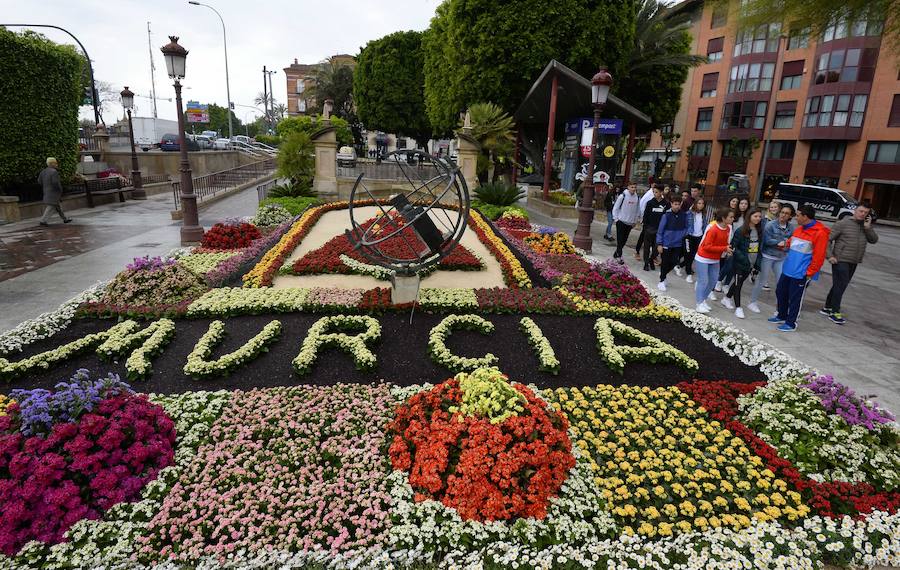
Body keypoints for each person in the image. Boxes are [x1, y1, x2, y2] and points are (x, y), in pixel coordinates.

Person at [768, 205, 830, 332]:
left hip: (801, 273)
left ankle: (791, 323)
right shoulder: (800, 229)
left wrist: (809, 273)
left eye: (798, 215)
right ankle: (781, 315)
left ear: (805, 217)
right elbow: (792, 242)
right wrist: (784, 244)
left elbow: (819, 256)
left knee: (795, 298)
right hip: (788, 269)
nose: (795, 218)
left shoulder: (820, 233)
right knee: (781, 292)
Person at [820, 202, 878, 324]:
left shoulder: (865, 226)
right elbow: (827, 240)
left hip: (854, 260)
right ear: (855, 210)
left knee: (839, 284)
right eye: (861, 211)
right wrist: (830, 256)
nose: (863, 214)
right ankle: (835, 312)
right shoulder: (842, 224)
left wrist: (868, 227)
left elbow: (874, 240)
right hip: (840, 260)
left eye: (866, 213)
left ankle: (827, 307)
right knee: (841, 285)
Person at [747, 204, 795, 313]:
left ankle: (780, 307)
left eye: (787, 213)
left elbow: (792, 240)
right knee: (762, 280)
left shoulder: (791, 227)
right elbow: (766, 240)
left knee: (781, 282)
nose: (783, 215)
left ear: (790, 216)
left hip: (781, 257)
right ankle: (752, 302)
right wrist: (778, 242)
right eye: (782, 212)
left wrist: (787, 245)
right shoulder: (771, 225)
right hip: (768, 256)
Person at [721, 209, 763, 318]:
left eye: (759, 216)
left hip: (751, 264)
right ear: (750, 217)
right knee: (738, 284)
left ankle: (726, 298)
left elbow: (759, 249)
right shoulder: (740, 231)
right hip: (740, 263)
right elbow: (734, 247)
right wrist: (744, 259)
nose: (758, 218)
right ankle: (738, 308)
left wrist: (757, 263)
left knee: (737, 283)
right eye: (755, 216)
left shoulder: (759, 231)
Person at [693, 207, 735, 313]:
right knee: (703, 281)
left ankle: (702, 301)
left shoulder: (729, 228)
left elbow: (725, 242)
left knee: (712, 281)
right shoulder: (713, 228)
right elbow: (707, 246)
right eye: (731, 217)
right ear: (723, 218)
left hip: (715, 258)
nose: (733, 219)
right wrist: (724, 248)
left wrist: (727, 249)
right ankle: (698, 304)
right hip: (703, 257)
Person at [656, 194, 689, 291]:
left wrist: (682, 235)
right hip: (666, 244)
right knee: (665, 262)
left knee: (674, 262)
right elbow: (660, 231)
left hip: (678, 244)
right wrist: (659, 244)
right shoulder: (666, 216)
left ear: (681, 204)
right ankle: (661, 281)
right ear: (671, 204)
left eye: (679, 204)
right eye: (675, 204)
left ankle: (663, 274)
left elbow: (687, 227)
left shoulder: (684, 215)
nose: (677, 206)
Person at [715, 197, 748, 292]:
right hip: (731, 242)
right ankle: (719, 280)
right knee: (728, 264)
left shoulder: (748, 217)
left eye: (745, 204)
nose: (743, 205)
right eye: (741, 203)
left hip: (742, 244)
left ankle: (726, 284)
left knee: (734, 266)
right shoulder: (733, 216)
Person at [641, 186, 669, 271]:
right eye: (654, 192)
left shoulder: (666, 204)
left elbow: (667, 217)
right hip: (650, 228)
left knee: (656, 248)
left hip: (660, 230)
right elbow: (645, 215)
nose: (654, 194)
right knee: (646, 247)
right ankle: (646, 263)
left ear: (661, 193)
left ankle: (651, 259)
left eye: (656, 192)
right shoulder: (650, 203)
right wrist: (645, 227)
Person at [38, 157, 71, 226]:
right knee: (51, 206)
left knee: (58, 207)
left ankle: (65, 218)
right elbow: (55, 183)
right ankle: (43, 220)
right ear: (52, 164)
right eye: (55, 163)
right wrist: (60, 189)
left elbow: (39, 181)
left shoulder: (43, 171)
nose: (57, 164)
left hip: (46, 191)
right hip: (54, 192)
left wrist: (46, 185)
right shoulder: (54, 172)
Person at [612, 182, 641, 259]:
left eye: (635, 187)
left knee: (624, 240)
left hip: (630, 223)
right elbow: (616, 207)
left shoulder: (637, 198)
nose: (633, 189)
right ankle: (619, 256)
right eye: (632, 187)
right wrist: (616, 219)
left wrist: (635, 221)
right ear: (628, 187)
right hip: (621, 221)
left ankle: (616, 253)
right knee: (620, 239)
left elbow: (638, 210)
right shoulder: (622, 196)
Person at [683, 196, 707, 284]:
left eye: (702, 203)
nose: (701, 205)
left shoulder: (703, 214)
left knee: (693, 255)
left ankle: (679, 265)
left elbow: (704, 226)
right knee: (688, 254)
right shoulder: (689, 213)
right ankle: (689, 274)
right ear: (695, 204)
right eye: (699, 203)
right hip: (689, 236)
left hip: (699, 237)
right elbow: (684, 225)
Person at [634, 184, 658, 260]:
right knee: (643, 236)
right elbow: (641, 205)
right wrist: (642, 218)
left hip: (656, 223)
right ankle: (637, 251)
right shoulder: (648, 196)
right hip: (647, 221)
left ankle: (653, 256)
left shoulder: (662, 199)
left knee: (655, 239)